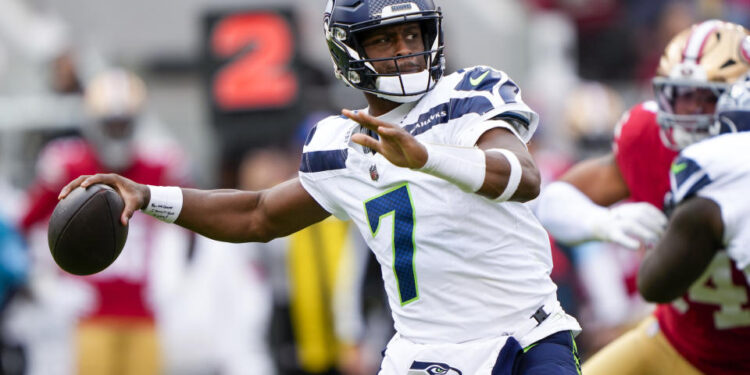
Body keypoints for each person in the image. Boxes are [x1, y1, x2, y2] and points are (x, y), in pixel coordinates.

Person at [59, 1, 581, 374]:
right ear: (349, 50)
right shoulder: (341, 142)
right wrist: (150, 197)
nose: (405, 49)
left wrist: (426, 158)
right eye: (384, 39)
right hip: (426, 351)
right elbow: (258, 214)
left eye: (413, 34)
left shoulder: (468, 96)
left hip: (526, 334)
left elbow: (522, 178)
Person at [534, 20, 750, 374]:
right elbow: (555, 199)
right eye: (681, 96)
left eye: (706, 98)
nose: (689, 115)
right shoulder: (649, 137)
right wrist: (602, 222)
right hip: (676, 342)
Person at [21, 68, 190, 375]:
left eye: (124, 124)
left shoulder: (160, 165)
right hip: (84, 316)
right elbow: (24, 226)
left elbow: (185, 231)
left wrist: (173, 273)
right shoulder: (67, 164)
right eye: (110, 125)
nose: (117, 133)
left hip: (144, 313)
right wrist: (47, 284)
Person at [638, 77, 750, 374]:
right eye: (686, 96)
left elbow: (652, 284)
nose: (693, 109)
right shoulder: (645, 137)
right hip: (683, 342)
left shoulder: (713, 171)